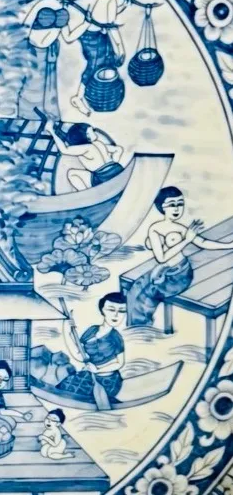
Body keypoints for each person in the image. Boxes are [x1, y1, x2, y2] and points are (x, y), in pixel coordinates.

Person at [126, 187, 233, 326]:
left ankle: (141, 326)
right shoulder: (155, 229)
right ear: (162, 207)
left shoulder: (180, 228)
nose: (176, 208)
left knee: (146, 295)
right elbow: (161, 258)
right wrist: (187, 240)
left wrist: (229, 245)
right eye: (172, 205)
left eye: (180, 204)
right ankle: (136, 327)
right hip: (164, 270)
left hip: (180, 275)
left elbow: (203, 243)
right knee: (134, 290)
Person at [18, 0, 91, 120]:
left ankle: (49, 119)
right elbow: (23, 27)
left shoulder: (64, 8)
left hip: (50, 52)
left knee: (49, 89)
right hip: (33, 52)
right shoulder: (42, 4)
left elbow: (68, 37)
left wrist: (86, 23)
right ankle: (28, 118)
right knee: (32, 87)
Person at [71, 0, 130, 116]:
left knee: (104, 63)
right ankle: (78, 97)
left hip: (99, 35)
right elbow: (111, 28)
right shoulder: (109, 0)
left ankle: (87, 96)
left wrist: (123, 6)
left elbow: (108, 17)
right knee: (94, 65)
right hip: (93, 38)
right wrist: (120, 49)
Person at [56, 293, 127, 403]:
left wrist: (98, 370)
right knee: (64, 387)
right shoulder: (92, 330)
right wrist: (67, 328)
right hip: (89, 375)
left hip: (108, 381)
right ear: (102, 310)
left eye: (121, 311)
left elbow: (120, 363)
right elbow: (80, 353)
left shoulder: (116, 337)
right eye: (111, 310)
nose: (116, 315)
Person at [44, 120, 124, 191]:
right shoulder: (98, 143)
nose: (94, 132)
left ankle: (87, 194)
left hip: (104, 178)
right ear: (86, 136)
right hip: (118, 170)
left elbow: (64, 150)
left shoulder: (87, 148)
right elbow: (118, 149)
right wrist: (113, 165)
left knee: (71, 174)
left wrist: (51, 131)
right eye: (92, 131)